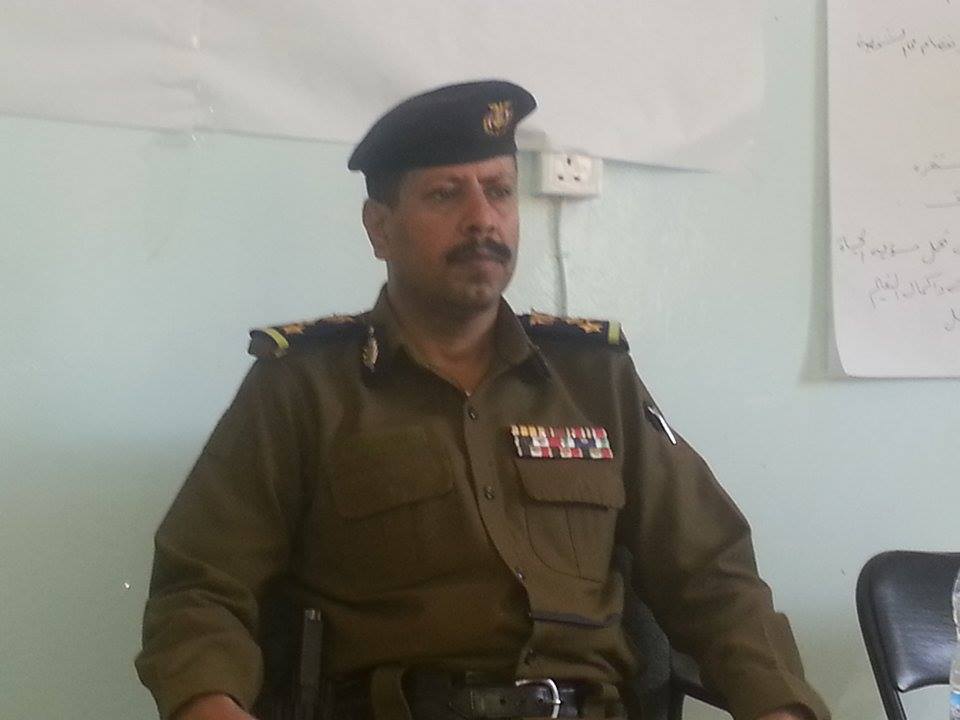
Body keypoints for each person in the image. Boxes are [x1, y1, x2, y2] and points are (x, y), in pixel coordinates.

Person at [136, 80, 830, 720]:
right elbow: (200, 586)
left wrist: (780, 707)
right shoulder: (304, 387)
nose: (482, 219)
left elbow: (710, 573)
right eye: (445, 195)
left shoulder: (594, 380)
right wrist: (209, 703)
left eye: (499, 191)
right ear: (379, 227)